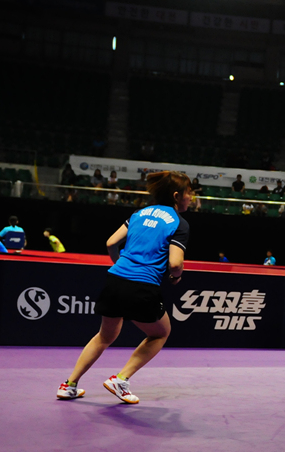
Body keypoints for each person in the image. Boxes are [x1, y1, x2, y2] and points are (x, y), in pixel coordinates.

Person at [55, 172, 190, 403]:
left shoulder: (138, 213)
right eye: (189, 193)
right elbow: (175, 263)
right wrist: (176, 277)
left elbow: (110, 242)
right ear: (177, 196)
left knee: (104, 336)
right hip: (143, 285)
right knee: (160, 333)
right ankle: (122, 378)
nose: (191, 198)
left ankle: (69, 384)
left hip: (114, 279)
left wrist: (120, 264)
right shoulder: (179, 223)